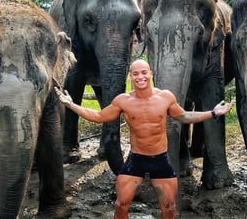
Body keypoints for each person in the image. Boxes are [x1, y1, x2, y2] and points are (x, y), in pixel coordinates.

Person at [54, 59, 233, 219]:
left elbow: (185, 116)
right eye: (136, 73)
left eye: (144, 72)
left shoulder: (165, 97)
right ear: (130, 77)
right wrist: (71, 104)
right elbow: (99, 116)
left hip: (160, 160)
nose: (140, 77)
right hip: (136, 159)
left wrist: (212, 112)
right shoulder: (123, 101)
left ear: (151, 74)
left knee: (169, 208)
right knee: (121, 205)